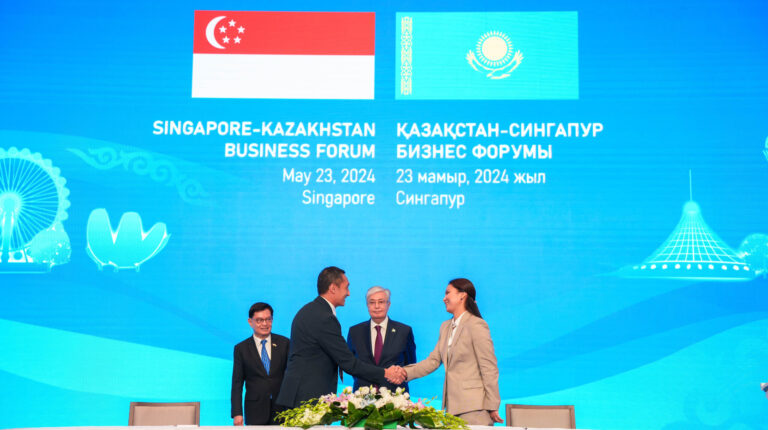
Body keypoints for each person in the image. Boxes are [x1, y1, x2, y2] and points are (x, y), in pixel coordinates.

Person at [276, 266, 406, 408]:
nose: (348, 293)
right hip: (306, 397)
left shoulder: (312, 310)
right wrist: (386, 373)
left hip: (300, 394)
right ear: (333, 288)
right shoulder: (324, 317)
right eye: (346, 287)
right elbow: (349, 363)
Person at [403, 278, 503, 426]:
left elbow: (489, 367)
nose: (444, 298)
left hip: (475, 408)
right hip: (452, 408)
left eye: (448, 293)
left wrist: (492, 405)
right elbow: (433, 361)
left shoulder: (476, 324)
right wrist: (404, 373)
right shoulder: (445, 327)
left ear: (462, 296)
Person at [346, 286, 417, 392]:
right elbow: (350, 364)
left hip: (395, 396)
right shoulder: (355, 331)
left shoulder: (404, 331)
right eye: (372, 302)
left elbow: (410, 363)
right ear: (367, 305)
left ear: (388, 305)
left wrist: (398, 376)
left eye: (381, 302)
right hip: (362, 396)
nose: (376, 306)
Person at [231, 302, 290, 425]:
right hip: (255, 410)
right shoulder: (241, 349)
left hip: (282, 409)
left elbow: (292, 377)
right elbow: (237, 383)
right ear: (250, 322)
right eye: (259, 320)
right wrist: (237, 413)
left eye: (268, 319)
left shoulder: (285, 343)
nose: (265, 324)